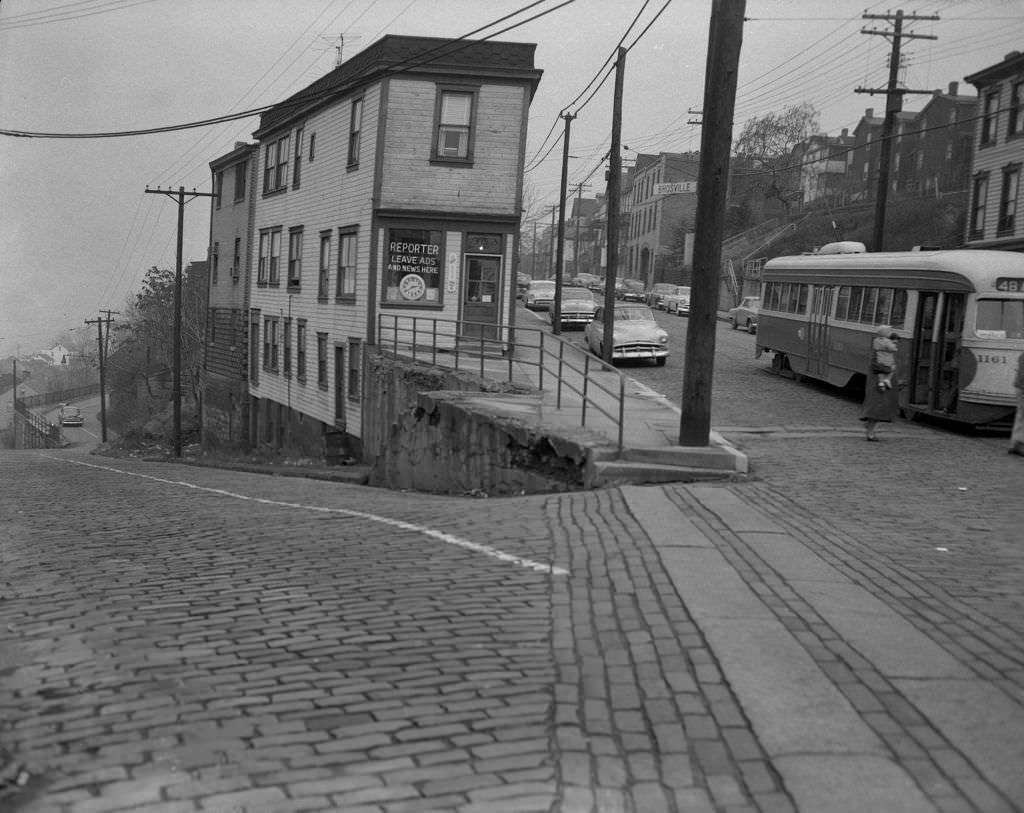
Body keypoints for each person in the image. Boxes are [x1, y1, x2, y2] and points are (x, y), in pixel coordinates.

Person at [861, 325, 901, 441]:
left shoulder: (880, 342)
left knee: (880, 404)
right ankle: (870, 431)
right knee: (877, 404)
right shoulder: (882, 344)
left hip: (881, 376)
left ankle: (870, 428)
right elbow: (891, 351)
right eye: (889, 332)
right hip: (879, 378)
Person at [1010, 350, 1024, 456]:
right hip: (1022, 387)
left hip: (1020, 386)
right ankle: (1018, 444)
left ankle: (1016, 444)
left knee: (1021, 415)